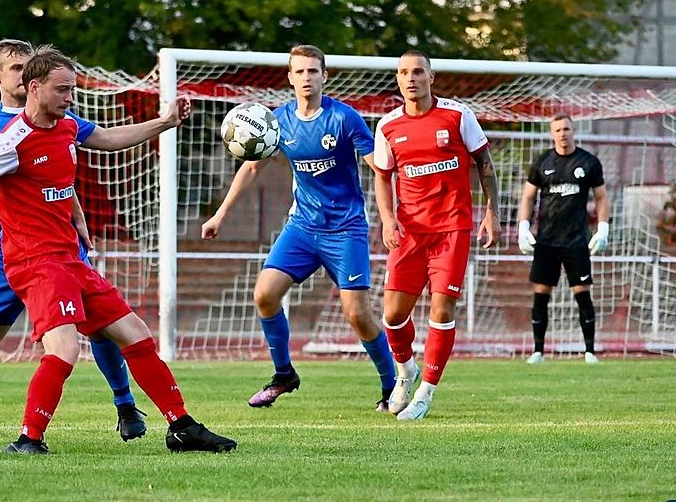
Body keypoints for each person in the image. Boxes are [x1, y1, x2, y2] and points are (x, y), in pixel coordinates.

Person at [0, 46, 236, 455]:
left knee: (135, 334)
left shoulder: (67, 126)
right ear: (35, 88)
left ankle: (180, 426)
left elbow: (105, 142)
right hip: (34, 262)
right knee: (64, 348)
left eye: (71, 89)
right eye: (63, 89)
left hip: (69, 257)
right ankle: (27, 439)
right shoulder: (8, 141)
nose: (70, 97)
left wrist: (164, 123)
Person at [201, 45, 397, 411]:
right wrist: (220, 214)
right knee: (265, 294)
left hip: (346, 228)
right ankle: (283, 374)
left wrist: (391, 216)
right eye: (300, 72)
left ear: (325, 76)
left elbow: (378, 168)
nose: (307, 78)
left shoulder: (344, 118)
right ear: (289, 78)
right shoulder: (277, 121)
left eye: (313, 71)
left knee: (357, 314)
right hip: (303, 227)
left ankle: (393, 384)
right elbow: (252, 166)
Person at [372, 50, 501, 421]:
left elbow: (485, 164)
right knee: (393, 316)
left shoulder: (458, 115)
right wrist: (387, 217)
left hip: (452, 229)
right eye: (403, 73)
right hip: (410, 232)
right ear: (398, 80)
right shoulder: (388, 126)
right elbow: (382, 175)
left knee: (442, 309)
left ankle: (426, 392)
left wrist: (492, 211)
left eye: (418, 72)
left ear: (432, 77)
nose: (410, 78)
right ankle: (406, 371)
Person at [517, 114, 609, 364]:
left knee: (582, 293)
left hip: (577, 240)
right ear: (552, 133)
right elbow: (528, 196)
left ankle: (589, 351)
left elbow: (600, 197)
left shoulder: (588, 162)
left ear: (573, 131)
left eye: (566, 128)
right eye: (557, 130)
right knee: (541, 293)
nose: (562, 133)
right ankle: (538, 351)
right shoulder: (543, 161)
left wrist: (603, 228)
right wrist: (523, 227)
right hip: (546, 240)